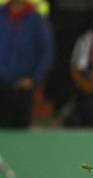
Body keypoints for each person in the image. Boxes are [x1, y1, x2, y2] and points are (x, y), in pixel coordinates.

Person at [0, 0, 53, 128]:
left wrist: (33, 79)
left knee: (21, 131)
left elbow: (46, 53)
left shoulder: (36, 19)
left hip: (23, 89)